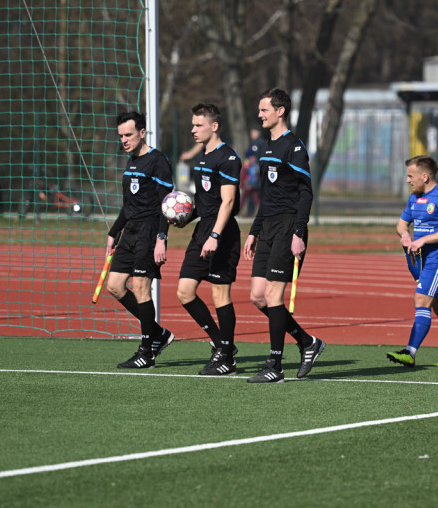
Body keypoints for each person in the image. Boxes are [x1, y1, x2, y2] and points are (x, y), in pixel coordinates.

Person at [242, 88, 325, 383]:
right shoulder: (265, 146)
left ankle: (274, 366)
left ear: (280, 111)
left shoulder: (295, 147)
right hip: (267, 227)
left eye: (264, 110)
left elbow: (306, 193)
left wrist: (299, 232)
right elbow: (267, 196)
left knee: (274, 295)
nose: (260, 114)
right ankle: (307, 342)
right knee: (257, 297)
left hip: (289, 226)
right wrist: (253, 231)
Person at [104, 111, 176, 369]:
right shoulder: (131, 162)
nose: (124, 140)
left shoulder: (157, 161)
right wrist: (114, 232)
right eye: (121, 136)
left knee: (142, 288)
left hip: (148, 232)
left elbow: (166, 204)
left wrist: (161, 238)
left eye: (129, 135)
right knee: (114, 285)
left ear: (142, 133)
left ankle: (146, 351)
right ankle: (159, 333)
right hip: (129, 232)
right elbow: (128, 205)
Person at [175, 103, 244, 375]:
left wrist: (215, 235)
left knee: (219, 294)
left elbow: (227, 203)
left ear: (214, 127)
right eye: (192, 125)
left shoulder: (228, 158)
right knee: (184, 291)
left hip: (222, 233)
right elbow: (207, 201)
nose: (193, 130)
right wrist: (185, 217)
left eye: (198, 125)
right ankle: (221, 344)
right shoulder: (202, 157)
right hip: (202, 230)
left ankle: (226, 358)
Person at [386, 156, 438, 368]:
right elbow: (401, 224)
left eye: (410, 176)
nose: (407, 181)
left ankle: (409, 352)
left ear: (425, 176)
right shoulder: (414, 198)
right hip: (423, 261)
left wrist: (422, 239)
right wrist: (404, 235)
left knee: (421, 300)